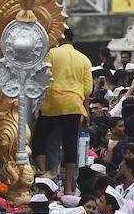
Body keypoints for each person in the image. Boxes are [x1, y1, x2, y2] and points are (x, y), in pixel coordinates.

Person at [32, 27, 91, 193]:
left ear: (59, 38)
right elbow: (87, 89)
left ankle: (44, 177)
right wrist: (86, 112)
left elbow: (42, 78)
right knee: (70, 145)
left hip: (53, 104)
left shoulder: (51, 54)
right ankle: (68, 188)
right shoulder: (84, 59)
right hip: (74, 106)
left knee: (39, 141)